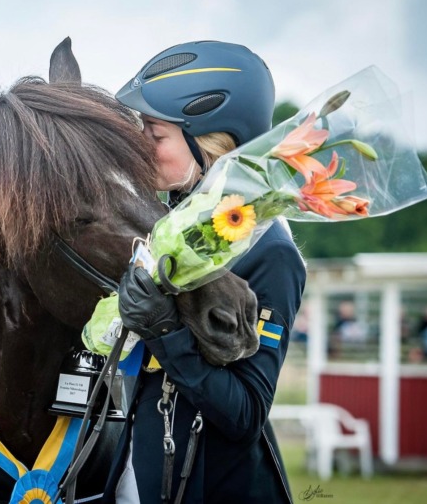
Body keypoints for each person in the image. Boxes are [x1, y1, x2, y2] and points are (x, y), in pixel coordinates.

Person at [106, 41, 307, 503]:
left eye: (155, 137)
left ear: (213, 144)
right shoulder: (167, 230)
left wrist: (166, 329)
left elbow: (245, 415)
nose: (141, 148)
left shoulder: (272, 252)